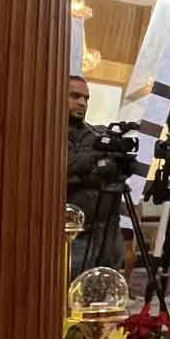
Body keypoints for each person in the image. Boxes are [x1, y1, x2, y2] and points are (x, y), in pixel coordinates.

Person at [67, 76, 121, 275]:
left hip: (107, 233)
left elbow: (117, 167)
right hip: (74, 233)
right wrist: (93, 164)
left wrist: (83, 172)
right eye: (75, 96)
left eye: (86, 98)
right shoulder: (49, 133)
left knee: (107, 289)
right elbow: (63, 167)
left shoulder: (97, 134)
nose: (82, 102)